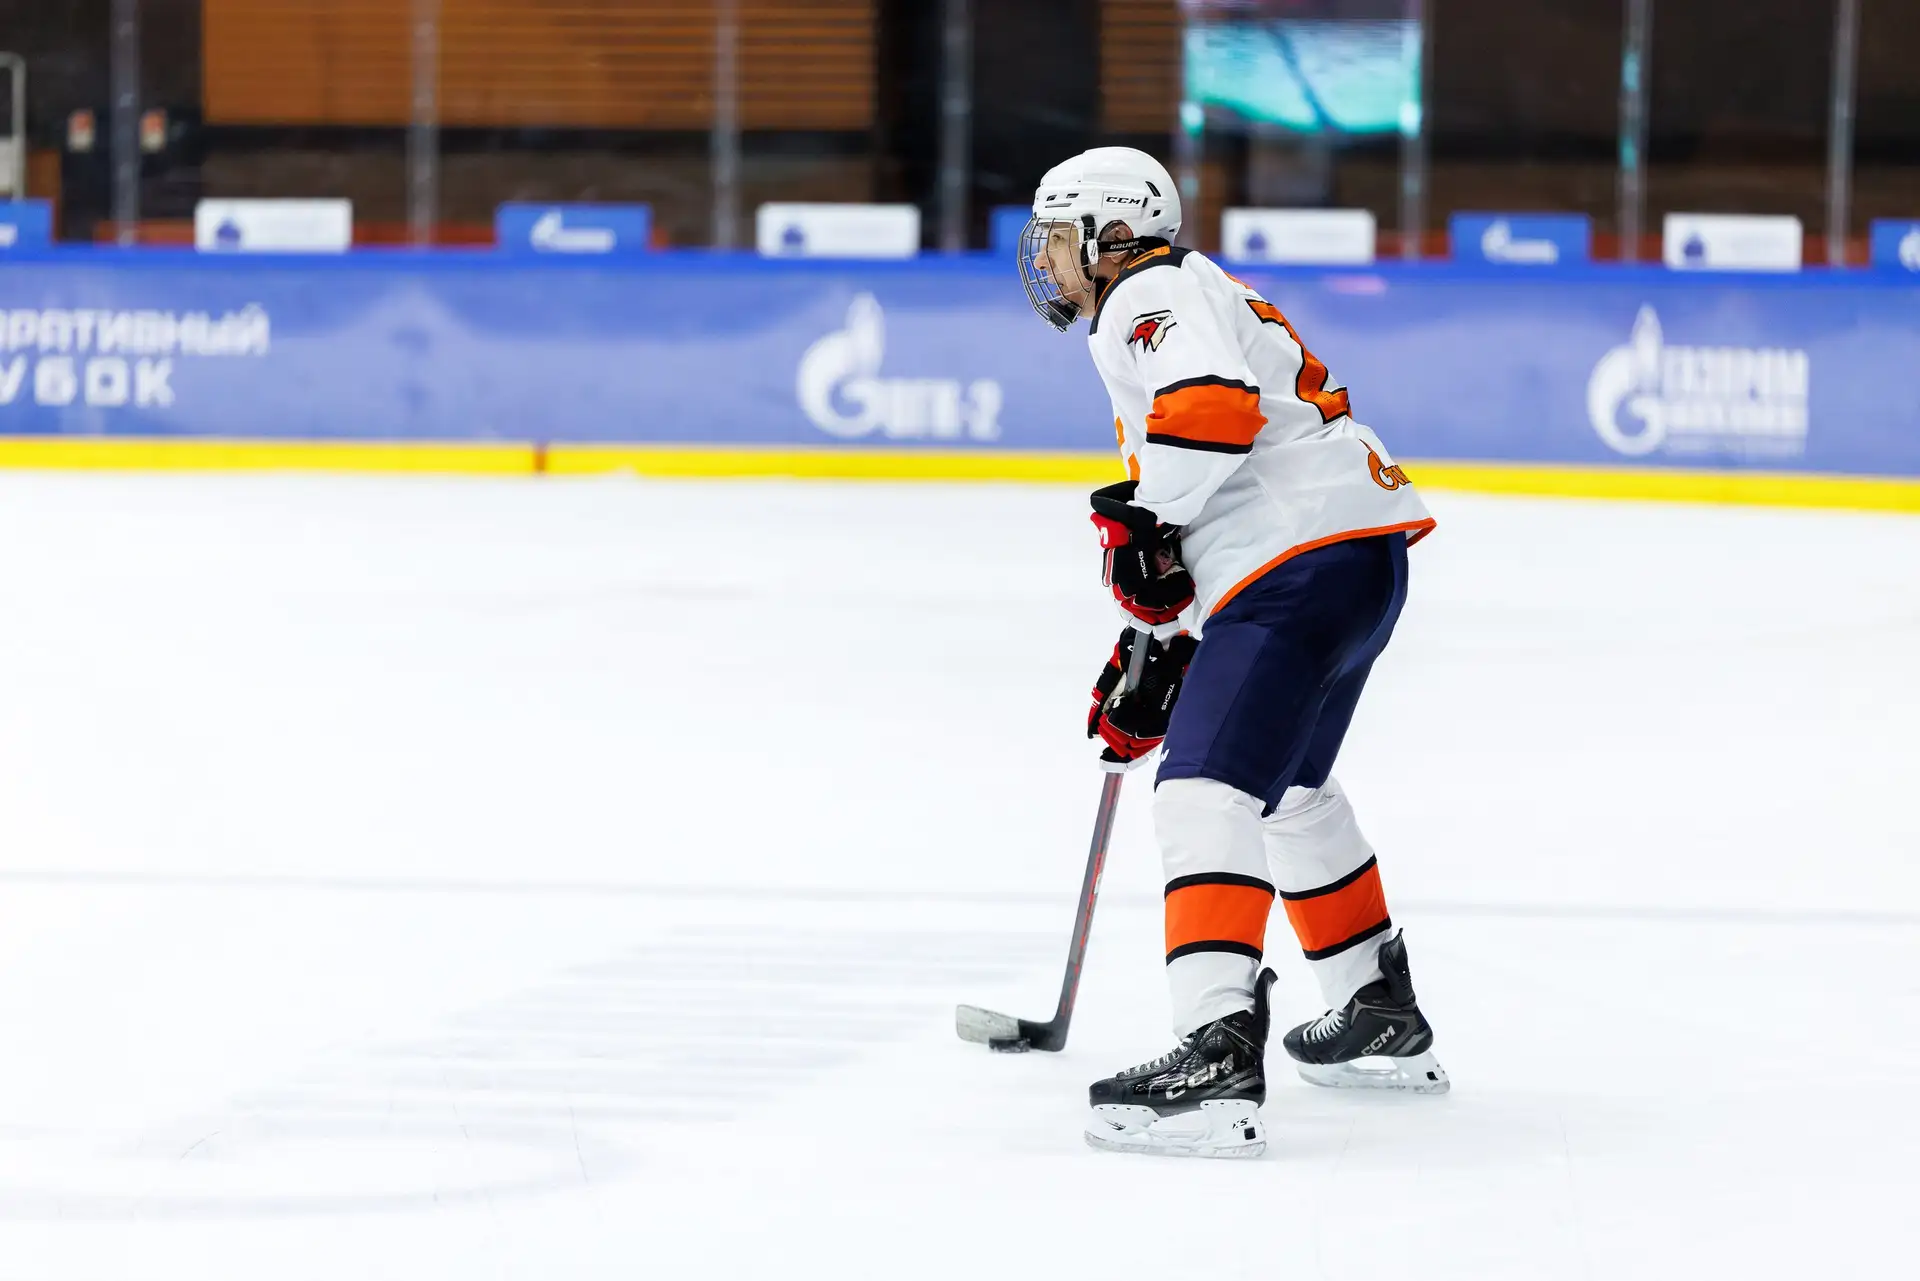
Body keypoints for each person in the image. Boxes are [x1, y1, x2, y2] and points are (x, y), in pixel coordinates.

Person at [1017, 147, 1450, 1159]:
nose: (1046, 258)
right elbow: (1205, 476)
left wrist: (1143, 527)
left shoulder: (1149, 292)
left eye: (1057, 236)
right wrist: (1157, 644)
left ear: (1110, 234)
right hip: (1351, 557)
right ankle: (1374, 1006)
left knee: (1203, 793)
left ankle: (1215, 1051)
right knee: (1287, 789)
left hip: (1294, 563)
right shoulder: (1189, 287)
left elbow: (1212, 412)